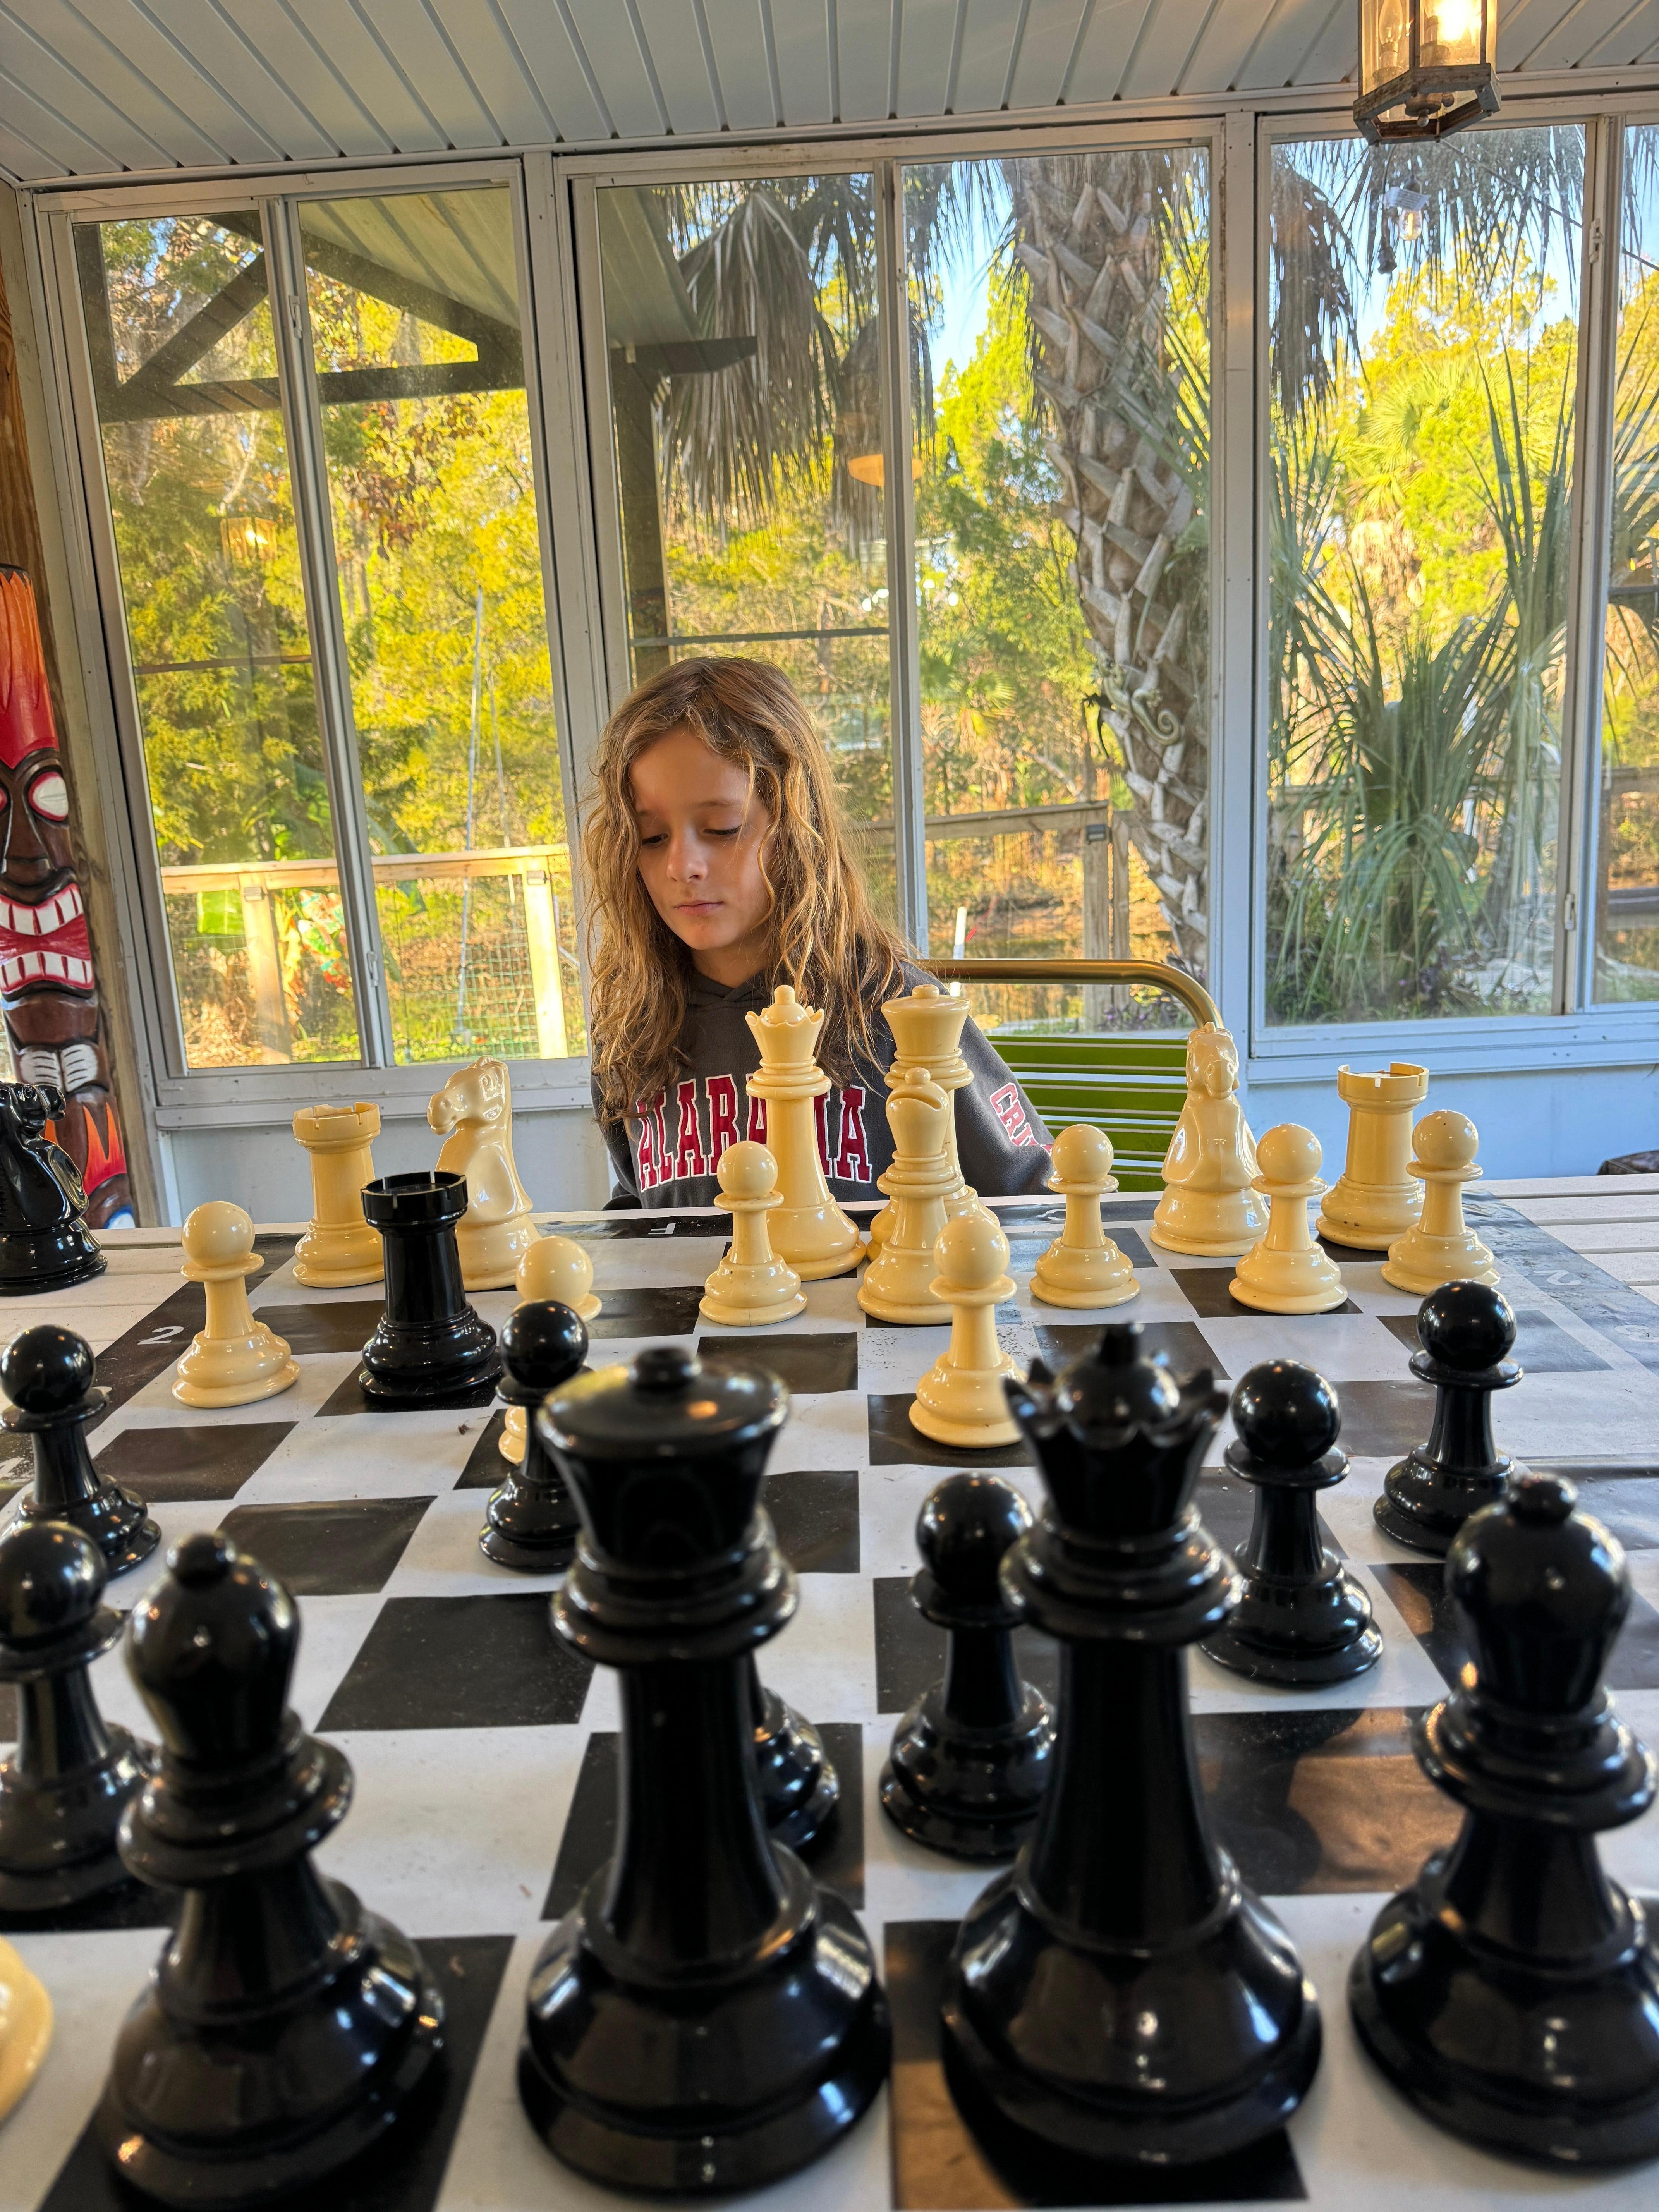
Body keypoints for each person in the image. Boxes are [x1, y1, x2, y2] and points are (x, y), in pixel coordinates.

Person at [582, 656, 1054, 1209]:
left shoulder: (899, 1010)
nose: (682, 866)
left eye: (722, 829)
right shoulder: (632, 1029)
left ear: (796, 825)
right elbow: (638, 1209)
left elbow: (1033, 1199)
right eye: (651, 836)